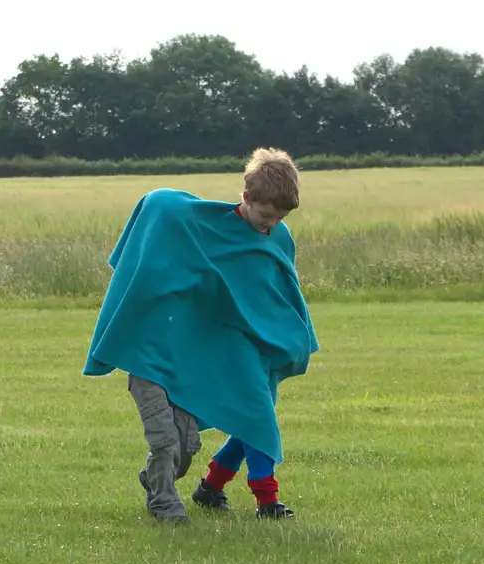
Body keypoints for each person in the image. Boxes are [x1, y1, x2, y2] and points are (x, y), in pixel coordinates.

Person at [83, 148, 317, 522]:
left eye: (280, 217)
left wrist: (287, 335)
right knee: (173, 438)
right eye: (265, 215)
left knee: (216, 431)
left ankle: (205, 486)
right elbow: (164, 209)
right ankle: (177, 500)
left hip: (239, 349)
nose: (271, 224)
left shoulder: (277, 237)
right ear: (246, 198)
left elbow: (278, 290)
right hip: (177, 350)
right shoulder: (203, 227)